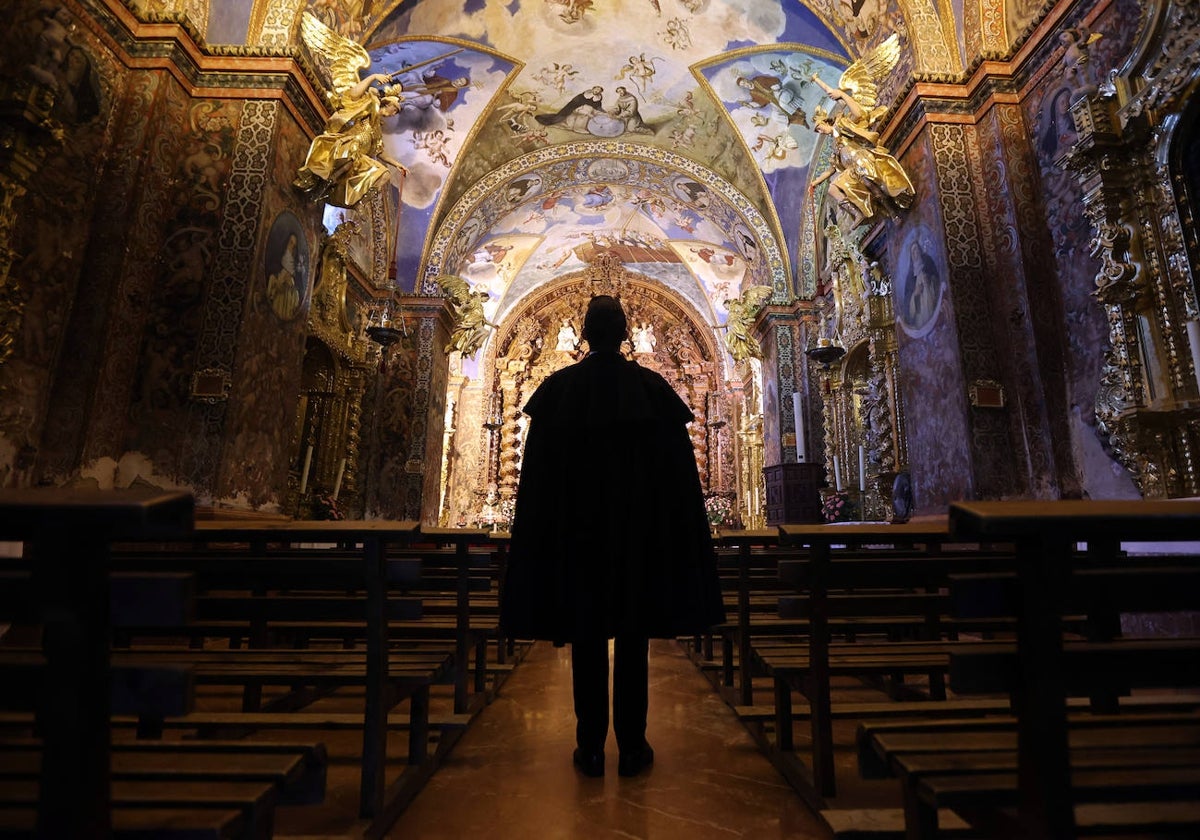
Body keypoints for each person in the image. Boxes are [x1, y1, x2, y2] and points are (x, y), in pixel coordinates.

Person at [500, 295, 725, 778]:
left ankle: (590, 749)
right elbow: (679, 486)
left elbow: (535, 484)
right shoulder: (652, 390)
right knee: (632, 637)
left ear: (585, 333)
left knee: (585, 637)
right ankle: (634, 745)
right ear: (624, 334)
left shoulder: (558, 391)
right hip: (638, 542)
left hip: (577, 542)